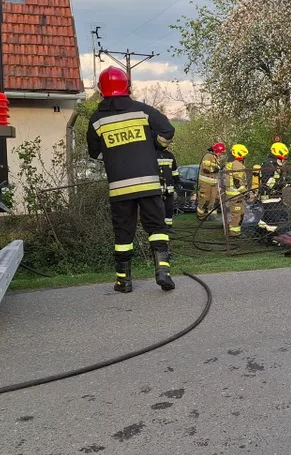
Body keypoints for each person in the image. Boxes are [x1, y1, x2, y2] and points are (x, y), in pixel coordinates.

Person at [86, 66, 176, 293]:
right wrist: (155, 146)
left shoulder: (97, 121)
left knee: (123, 234)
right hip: (148, 184)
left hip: (119, 188)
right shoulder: (143, 111)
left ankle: (123, 282)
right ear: (127, 87)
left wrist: (113, 153)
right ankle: (163, 271)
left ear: (101, 90)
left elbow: (94, 153)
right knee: (156, 227)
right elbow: (167, 131)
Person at [258, 141, 289, 233]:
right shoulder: (269, 164)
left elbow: (279, 177)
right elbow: (268, 182)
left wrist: (289, 181)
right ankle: (272, 237)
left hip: (275, 196)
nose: (283, 159)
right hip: (269, 196)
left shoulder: (275, 164)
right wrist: (282, 183)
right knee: (273, 218)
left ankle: (262, 233)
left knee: (269, 216)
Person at [197, 142, 226, 219]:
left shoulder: (215, 158)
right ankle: (200, 215)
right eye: (220, 152)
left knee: (214, 199)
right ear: (216, 150)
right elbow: (205, 168)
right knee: (205, 199)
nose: (221, 154)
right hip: (206, 183)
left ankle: (212, 216)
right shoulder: (208, 156)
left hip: (213, 183)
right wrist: (215, 169)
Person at [226, 144, 249, 237]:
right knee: (237, 213)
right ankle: (234, 233)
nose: (245, 157)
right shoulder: (237, 165)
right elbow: (238, 181)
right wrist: (245, 192)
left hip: (234, 193)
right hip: (236, 194)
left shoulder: (231, 163)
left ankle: (235, 230)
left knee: (240, 212)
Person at [157, 144, 179, 231]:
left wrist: (177, 182)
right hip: (158, 188)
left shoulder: (170, 155)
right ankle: (160, 226)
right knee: (158, 208)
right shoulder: (154, 154)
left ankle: (168, 226)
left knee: (169, 207)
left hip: (169, 188)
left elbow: (174, 171)